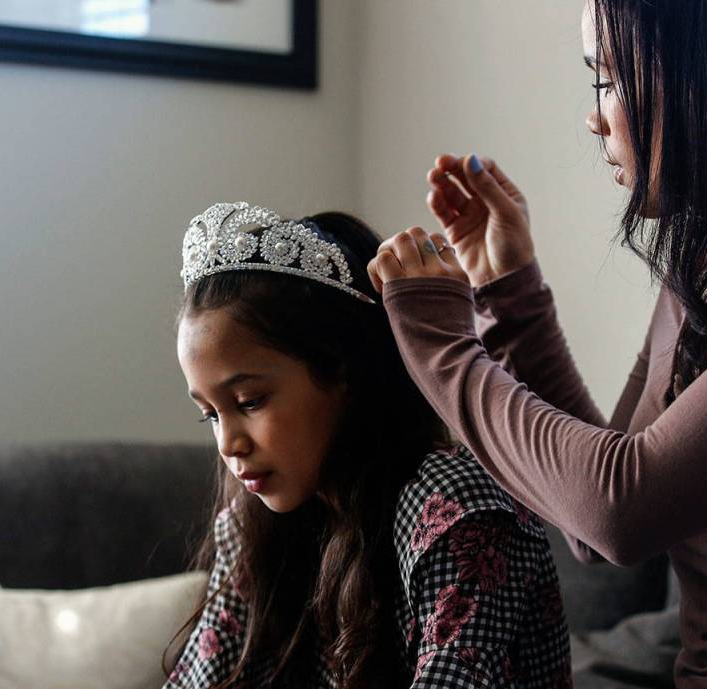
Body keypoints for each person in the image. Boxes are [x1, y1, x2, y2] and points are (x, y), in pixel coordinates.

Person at [366, 0, 707, 687]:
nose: (594, 115)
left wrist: (441, 347)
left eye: (609, 77)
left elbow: (620, 506)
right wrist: (509, 289)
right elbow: (594, 530)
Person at [162, 202, 571, 689]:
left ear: (342, 371)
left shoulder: (457, 514)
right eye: (209, 414)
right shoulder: (250, 523)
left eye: (249, 401)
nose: (228, 444)